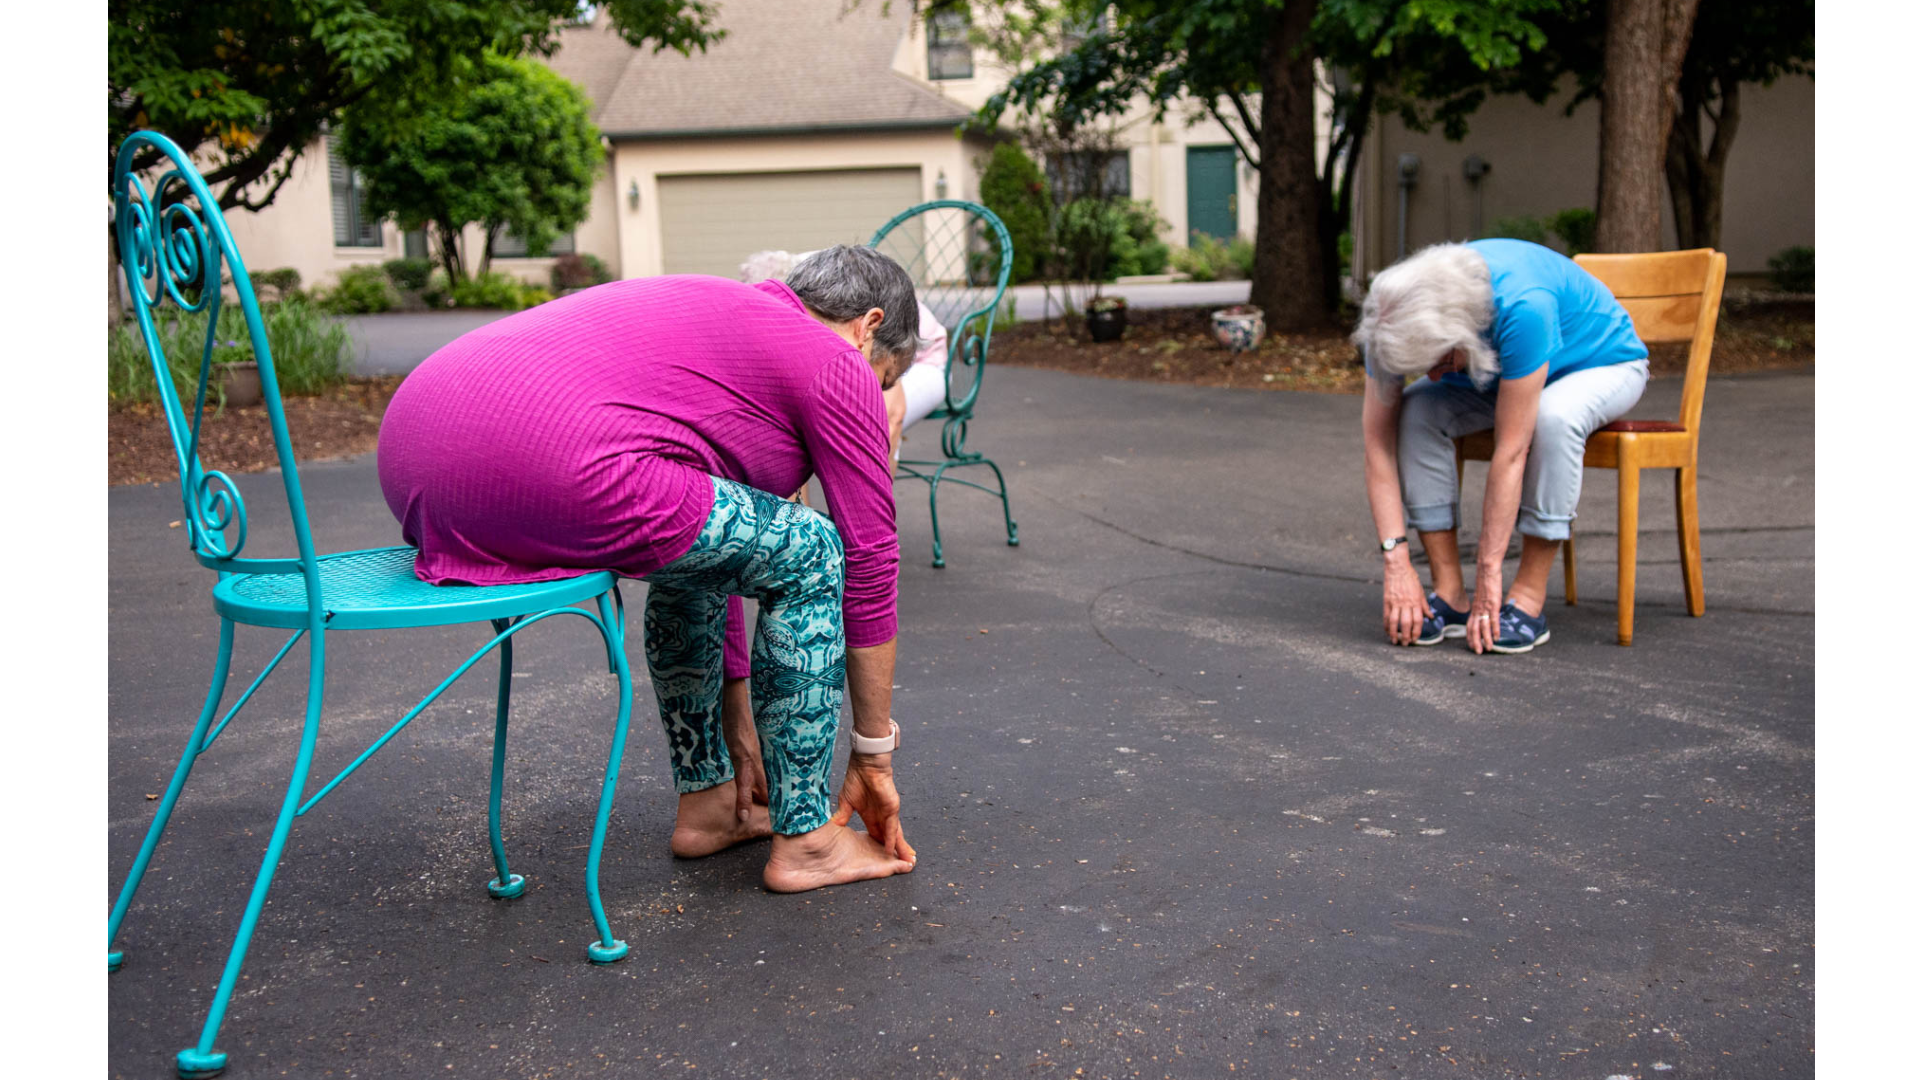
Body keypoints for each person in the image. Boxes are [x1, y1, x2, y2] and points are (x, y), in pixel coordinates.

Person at [377, 245, 920, 891]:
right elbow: (870, 555)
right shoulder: (834, 358)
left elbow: (712, 544)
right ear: (869, 327)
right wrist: (873, 756)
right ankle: (808, 840)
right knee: (813, 550)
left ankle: (711, 804)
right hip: (542, 464)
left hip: (416, 458)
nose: (877, 398)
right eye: (886, 379)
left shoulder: (720, 319)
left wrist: (737, 717)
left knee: (728, 536)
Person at [1352, 239, 1650, 655]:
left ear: (1459, 330)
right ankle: (1450, 594)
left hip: (1599, 364)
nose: (1434, 376)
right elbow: (1376, 446)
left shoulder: (1523, 304)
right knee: (1417, 409)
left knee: (1552, 417)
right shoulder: (1388, 321)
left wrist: (1490, 578)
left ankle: (1527, 600)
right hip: (1502, 372)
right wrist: (1396, 562)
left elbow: (1511, 451)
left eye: (1438, 361)